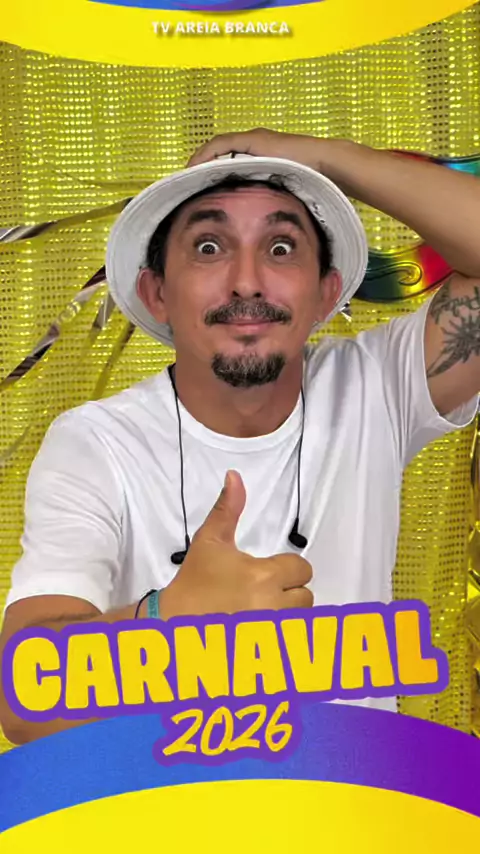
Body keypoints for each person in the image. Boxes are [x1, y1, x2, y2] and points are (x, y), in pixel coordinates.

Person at [1, 128, 480, 744]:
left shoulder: (376, 386)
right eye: (209, 247)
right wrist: (168, 619)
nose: (247, 282)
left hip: (348, 795)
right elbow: (23, 704)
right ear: (157, 294)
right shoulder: (96, 443)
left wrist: (328, 159)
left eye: (281, 247)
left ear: (326, 293)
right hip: (166, 799)